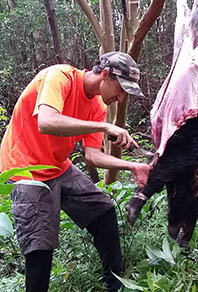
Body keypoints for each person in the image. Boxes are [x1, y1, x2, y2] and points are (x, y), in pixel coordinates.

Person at [0, 52, 150, 292]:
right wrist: (104, 126)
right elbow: (46, 122)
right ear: (104, 74)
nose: (121, 98)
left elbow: (92, 156)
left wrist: (133, 165)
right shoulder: (58, 77)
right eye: (121, 89)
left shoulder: (97, 105)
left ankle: (116, 286)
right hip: (25, 168)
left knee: (104, 211)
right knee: (40, 246)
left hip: (59, 166)